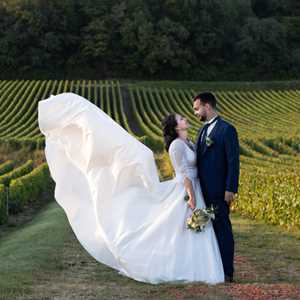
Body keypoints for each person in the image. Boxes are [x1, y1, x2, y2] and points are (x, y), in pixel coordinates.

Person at [38, 92, 225, 285]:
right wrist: (191, 195)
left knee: (189, 230)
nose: (186, 118)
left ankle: (195, 266)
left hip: (194, 188)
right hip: (186, 191)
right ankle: (187, 267)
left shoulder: (189, 142)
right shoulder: (176, 146)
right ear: (176, 127)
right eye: (180, 118)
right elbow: (184, 173)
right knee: (184, 229)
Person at [193, 92, 240, 283]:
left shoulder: (227, 130)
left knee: (222, 228)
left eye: (197, 108)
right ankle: (208, 268)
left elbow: (233, 161)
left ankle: (227, 271)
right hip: (201, 193)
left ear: (207, 106)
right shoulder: (202, 131)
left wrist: (231, 188)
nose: (195, 112)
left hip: (219, 192)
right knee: (201, 229)